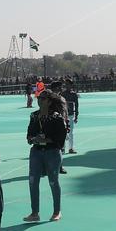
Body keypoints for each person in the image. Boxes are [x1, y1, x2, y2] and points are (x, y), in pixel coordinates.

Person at [24, 90, 67, 223]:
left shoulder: (57, 117)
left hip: (52, 152)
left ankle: (57, 211)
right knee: (32, 181)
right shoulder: (34, 116)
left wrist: (47, 140)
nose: (39, 100)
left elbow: (60, 139)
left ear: (49, 101)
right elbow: (28, 135)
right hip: (36, 151)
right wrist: (33, 139)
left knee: (53, 181)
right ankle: (34, 213)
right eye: (39, 98)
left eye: (42, 99)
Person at [62, 81, 79, 154]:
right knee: (63, 132)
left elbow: (77, 105)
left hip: (71, 115)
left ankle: (71, 148)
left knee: (71, 132)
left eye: (69, 84)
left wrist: (76, 116)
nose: (67, 86)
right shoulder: (62, 94)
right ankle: (62, 148)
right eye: (66, 84)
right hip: (63, 115)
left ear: (71, 85)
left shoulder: (74, 94)